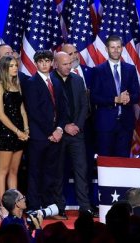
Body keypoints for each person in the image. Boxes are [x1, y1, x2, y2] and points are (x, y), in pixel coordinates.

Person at [23, 50, 65, 217]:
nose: (45, 64)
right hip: (39, 137)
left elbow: (63, 108)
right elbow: (34, 111)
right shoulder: (31, 83)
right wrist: (50, 131)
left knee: (50, 173)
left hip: (55, 136)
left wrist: (60, 128)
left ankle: (48, 208)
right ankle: (33, 206)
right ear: (36, 63)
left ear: (52, 63)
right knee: (35, 172)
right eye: (41, 62)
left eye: (48, 61)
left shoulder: (56, 81)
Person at [89, 35, 140, 158]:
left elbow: (136, 95)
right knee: (106, 161)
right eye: (112, 47)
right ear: (106, 49)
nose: (116, 50)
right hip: (105, 125)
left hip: (125, 125)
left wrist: (128, 98)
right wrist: (115, 99)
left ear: (122, 48)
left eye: (118, 47)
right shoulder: (98, 70)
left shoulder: (130, 69)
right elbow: (94, 97)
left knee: (122, 162)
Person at [54, 49, 91, 212]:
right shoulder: (50, 80)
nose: (69, 67)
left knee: (81, 170)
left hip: (77, 133)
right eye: (65, 64)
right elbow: (50, 109)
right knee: (58, 171)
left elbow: (84, 105)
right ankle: (59, 207)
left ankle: (85, 207)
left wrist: (77, 125)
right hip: (58, 133)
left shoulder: (77, 79)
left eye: (70, 63)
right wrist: (64, 127)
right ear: (55, 65)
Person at [0, 55, 29, 218]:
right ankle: (3, 207)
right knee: (3, 171)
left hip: (20, 133)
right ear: (5, 68)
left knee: (14, 171)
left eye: (16, 65)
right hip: (6, 132)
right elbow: (1, 115)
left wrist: (26, 129)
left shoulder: (17, 84)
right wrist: (17, 131)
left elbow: (22, 110)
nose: (15, 68)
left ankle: (15, 206)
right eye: (12, 66)